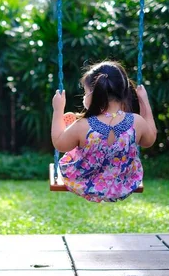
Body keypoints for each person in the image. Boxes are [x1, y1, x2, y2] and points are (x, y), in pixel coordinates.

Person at [51, 61, 157, 202]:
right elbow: (149, 140)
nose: (84, 96)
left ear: (94, 94)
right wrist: (144, 101)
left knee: (72, 135)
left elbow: (59, 143)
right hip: (124, 183)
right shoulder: (137, 122)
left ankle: (70, 132)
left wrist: (58, 110)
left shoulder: (82, 125)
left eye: (86, 92)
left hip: (85, 182)